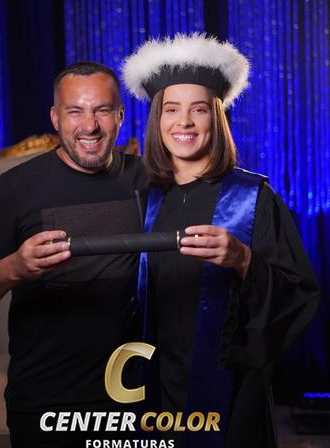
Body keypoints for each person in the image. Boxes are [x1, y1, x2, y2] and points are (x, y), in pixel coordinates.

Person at [122, 33, 320, 448]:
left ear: (216, 118)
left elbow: (299, 294)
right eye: (171, 109)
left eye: (198, 109)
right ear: (157, 120)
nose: (184, 122)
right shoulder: (142, 200)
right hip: (154, 387)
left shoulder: (253, 199)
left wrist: (243, 260)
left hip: (231, 391)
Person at [0, 62, 146, 448]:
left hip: (135, 396)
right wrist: (15, 267)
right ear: (55, 117)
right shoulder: (15, 188)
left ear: (120, 116)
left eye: (102, 110)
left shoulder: (148, 179)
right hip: (46, 400)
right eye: (75, 111)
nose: (89, 126)